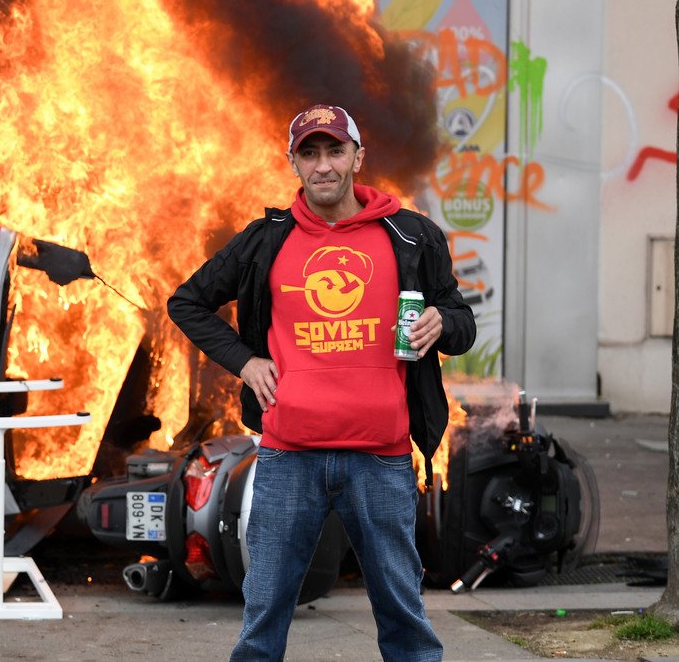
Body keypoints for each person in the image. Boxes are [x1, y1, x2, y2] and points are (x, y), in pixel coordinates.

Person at [167, 103, 476, 661]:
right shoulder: (267, 240)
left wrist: (442, 322)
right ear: (293, 163)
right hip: (290, 458)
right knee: (263, 620)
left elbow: (462, 322)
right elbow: (187, 302)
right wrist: (245, 362)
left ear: (359, 156)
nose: (324, 165)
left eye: (335, 150)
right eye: (309, 153)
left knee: (404, 620)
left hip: (379, 459)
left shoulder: (411, 237)